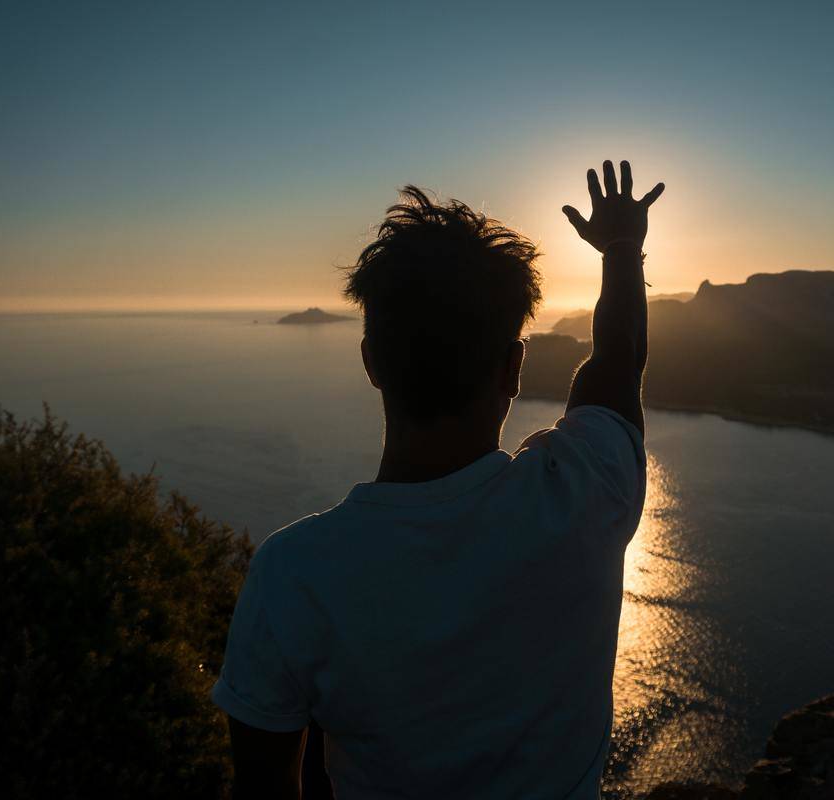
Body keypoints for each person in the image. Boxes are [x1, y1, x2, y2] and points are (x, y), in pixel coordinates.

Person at [212, 161, 665, 799]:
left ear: (371, 360)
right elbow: (619, 356)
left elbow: (263, 789)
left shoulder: (293, 576)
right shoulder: (585, 495)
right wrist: (622, 248)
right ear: (514, 367)